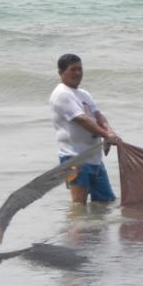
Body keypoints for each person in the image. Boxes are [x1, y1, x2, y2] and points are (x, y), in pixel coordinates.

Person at [49, 53, 120, 204]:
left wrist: (110, 132)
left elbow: (98, 115)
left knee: (105, 202)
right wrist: (106, 135)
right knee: (79, 206)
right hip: (74, 159)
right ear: (61, 72)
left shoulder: (84, 94)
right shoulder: (62, 94)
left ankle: (96, 229)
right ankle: (74, 228)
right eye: (73, 69)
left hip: (94, 160)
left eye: (80, 69)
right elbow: (82, 120)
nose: (78, 73)